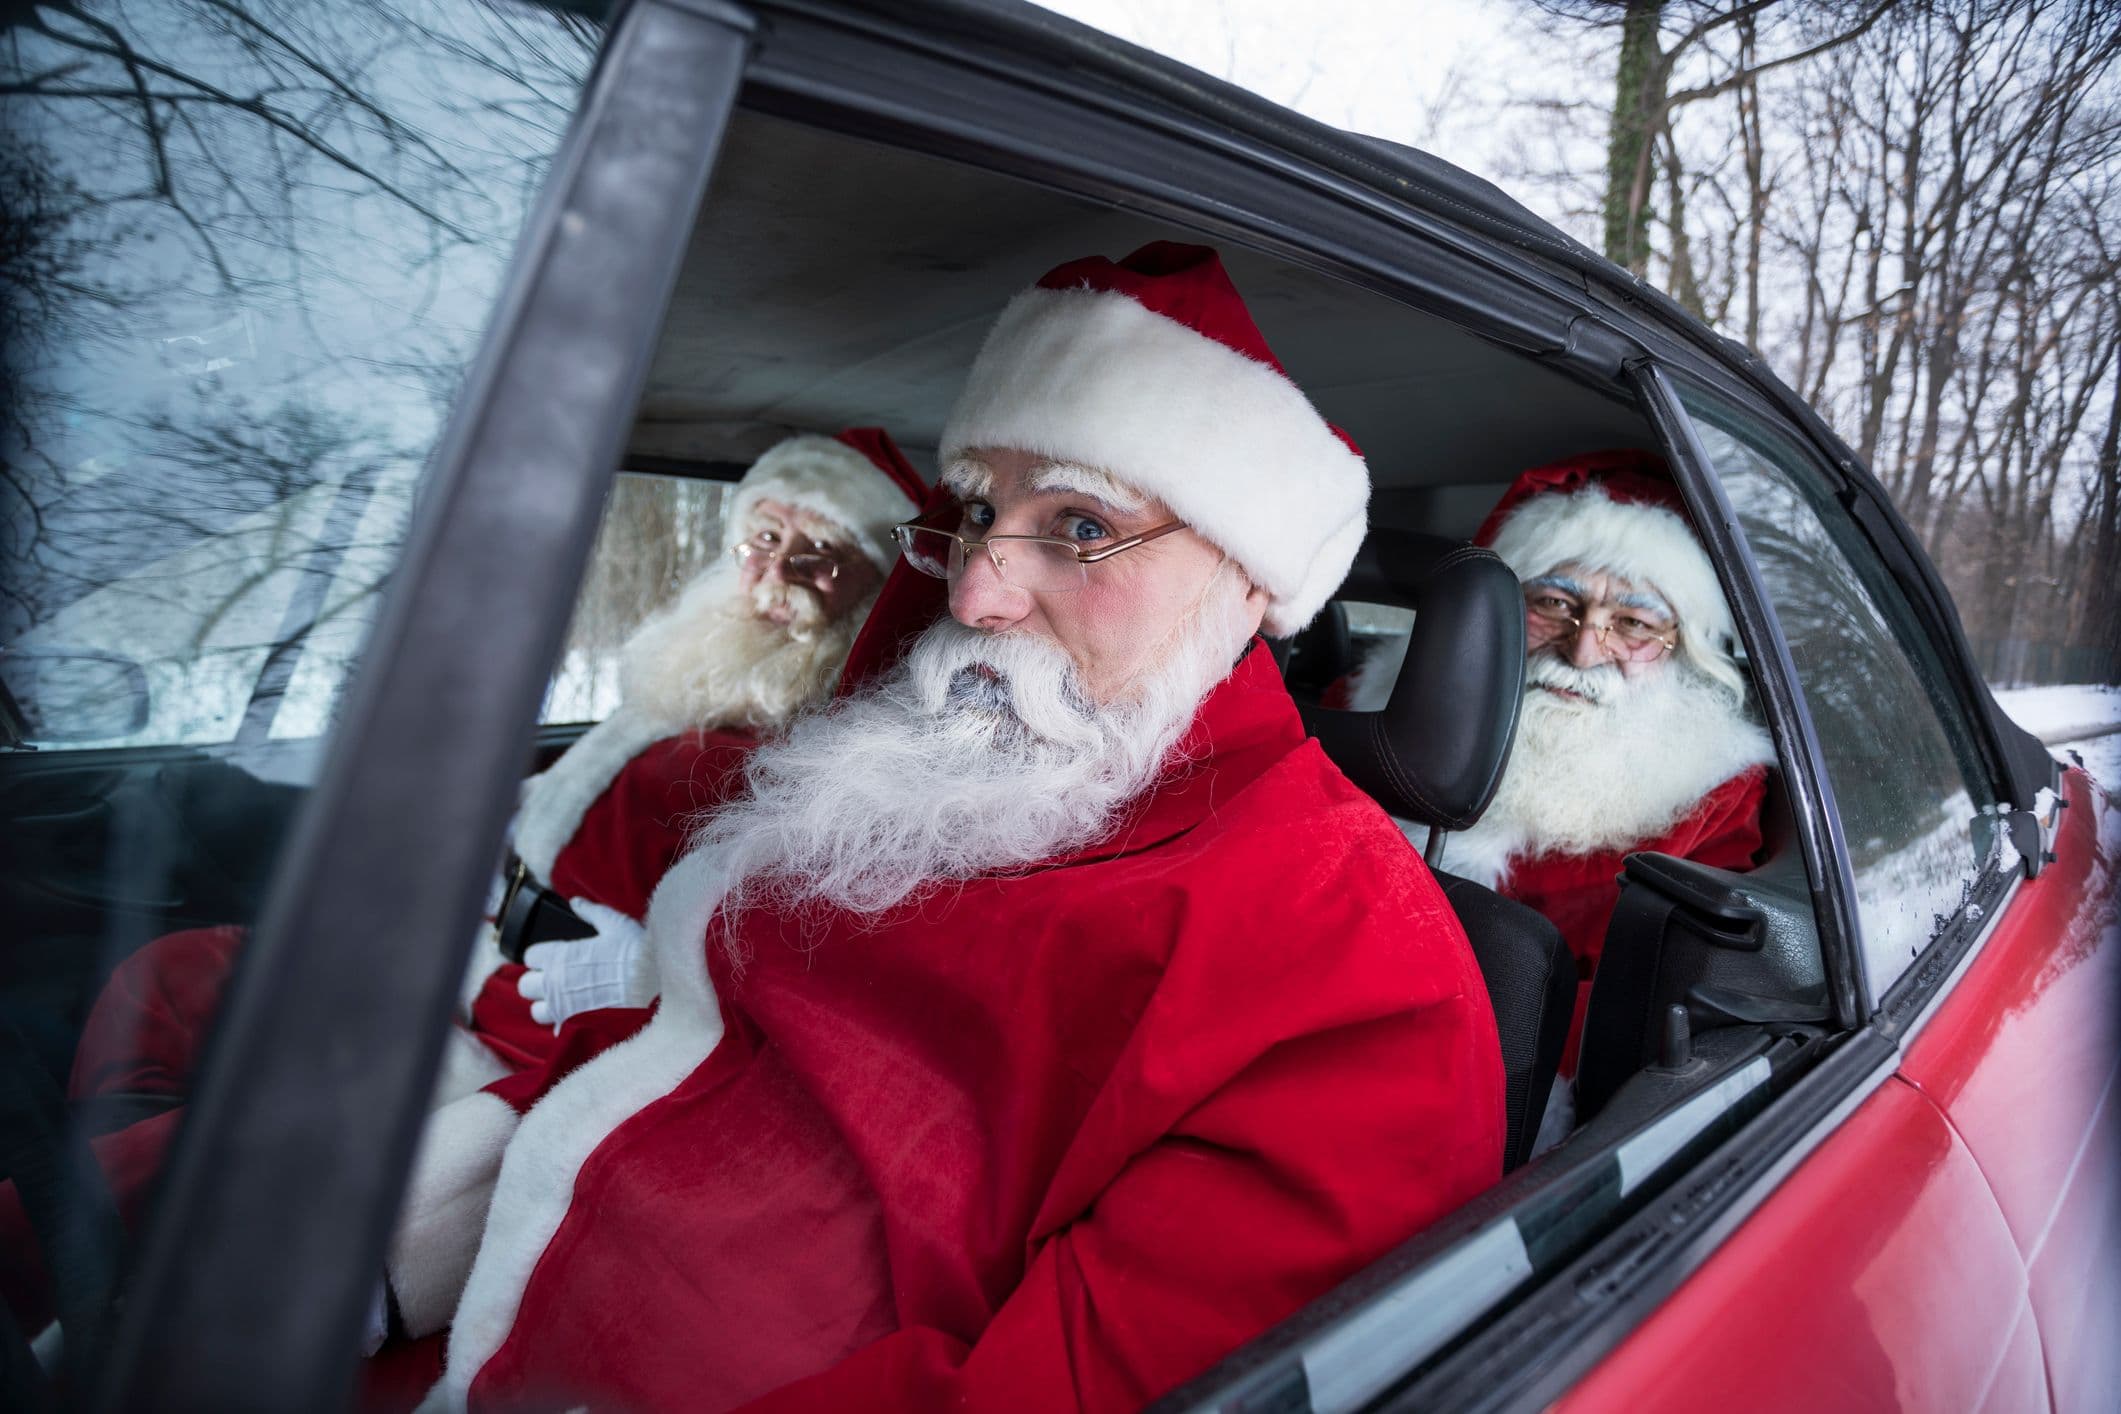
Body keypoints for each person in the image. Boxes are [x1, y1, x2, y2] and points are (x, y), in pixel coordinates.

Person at [415, 242, 1504, 1412]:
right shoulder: (915, 780)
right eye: (979, 511)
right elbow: (695, 1062)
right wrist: (399, 1225)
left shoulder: (1352, 965)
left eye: (1081, 527)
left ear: (1245, 581)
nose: (978, 591)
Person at [0, 431, 923, 1344]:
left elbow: (791, 967)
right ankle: (119, 1226)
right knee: (183, 970)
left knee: (234, 1144)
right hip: (468, 959)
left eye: (820, 557)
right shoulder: (690, 681)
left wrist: (647, 978)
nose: (774, 574)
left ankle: (67, 1260)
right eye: (764, 537)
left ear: (869, 595)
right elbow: (583, 799)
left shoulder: (819, 767)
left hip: (552, 1041)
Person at [1354, 449, 1773, 1110]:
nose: (1581, 652)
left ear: (1680, 645)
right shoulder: (1379, 712)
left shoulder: (1714, 797)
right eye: (1553, 603)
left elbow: (1654, 1005)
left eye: (1632, 624)